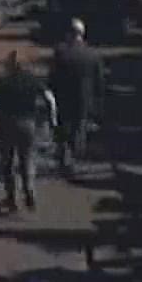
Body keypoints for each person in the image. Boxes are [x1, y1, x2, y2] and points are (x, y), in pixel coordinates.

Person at [0, 52, 49, 212]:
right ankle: (29, 190)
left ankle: (11, 197)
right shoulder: (32, 80)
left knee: (7, 162)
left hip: (6, 123)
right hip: (27, 123)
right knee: (27, 159)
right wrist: (48, 117)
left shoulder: (0, 81)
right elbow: (48, 97)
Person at [47, 19, 103, 177]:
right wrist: (98, 100)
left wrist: (50, 92)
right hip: (84, 99)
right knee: (79, 128)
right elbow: (99, 81)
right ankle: (75, 158)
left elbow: (52, 76)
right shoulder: (92, 54)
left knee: (63, 127)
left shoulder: (61, 52)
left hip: (63, 97)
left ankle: (64, 156)